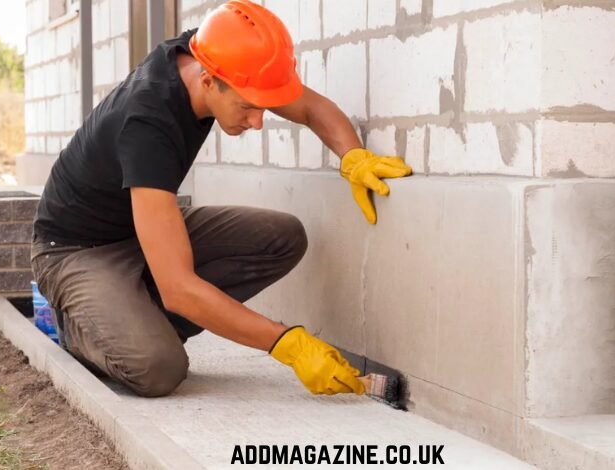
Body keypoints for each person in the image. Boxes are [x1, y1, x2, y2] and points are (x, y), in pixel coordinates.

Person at [30, 0, 412, 398]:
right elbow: (178, 288)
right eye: (247, 107)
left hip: (137, 231)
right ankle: (84, 329)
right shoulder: (147, 126)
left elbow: (311, 108)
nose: (258, 122)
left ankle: (140, 320)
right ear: (208, 81)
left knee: (281, 237)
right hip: (76, 252)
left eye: (262, 107)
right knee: (157, 369)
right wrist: (288, 344)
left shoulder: (217, 55)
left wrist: (353, 157)